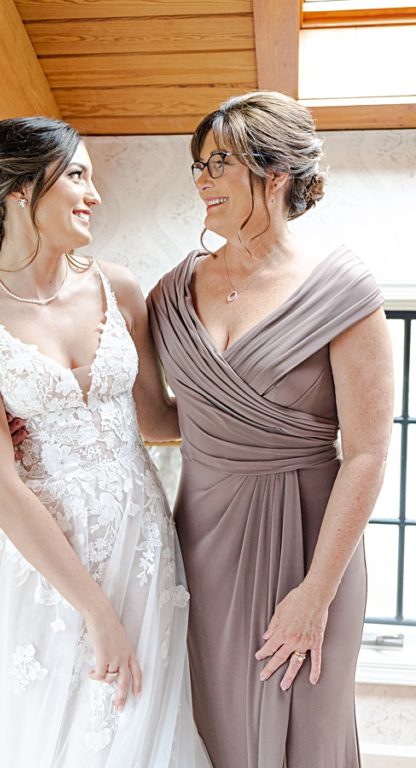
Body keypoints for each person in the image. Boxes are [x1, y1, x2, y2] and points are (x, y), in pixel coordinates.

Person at [0, 116, 211, 767]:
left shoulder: (117, 286)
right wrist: (94, 610)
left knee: (143, 721)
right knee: (52, 727)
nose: (94, 195)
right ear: (21, 193)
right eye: (78, 175)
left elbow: (156, 420)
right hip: (44, 560)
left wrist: (263, 420)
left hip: (140, 540)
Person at [147, 91, 392, 767]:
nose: (201, 179)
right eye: (197, 165)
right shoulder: (170, 293)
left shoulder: (343, 290)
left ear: (274, 172)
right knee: (212, 728)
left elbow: (368, 453)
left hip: (313, 546)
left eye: (218, 163)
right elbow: (158, 415)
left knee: (307, 731)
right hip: (202, 543)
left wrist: (316, 591)